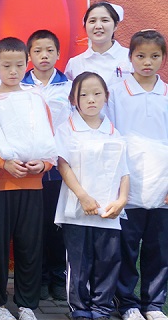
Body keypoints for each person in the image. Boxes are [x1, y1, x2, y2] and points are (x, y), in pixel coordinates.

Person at [0, 37, 54, 320]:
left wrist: (44, 164)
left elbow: (49, 140)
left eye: (19, 65)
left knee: (29, 246)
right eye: (6, 65)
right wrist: (2, 163)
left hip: (33, 186)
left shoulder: (36, 99)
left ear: (27, 64)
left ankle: (26, 304)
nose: (13, 71)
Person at [54, 71, 129, 320]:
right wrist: (83, 196)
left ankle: (102, 307)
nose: (91, 99)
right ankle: (80, 308)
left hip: (109, 210)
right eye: (84, 94)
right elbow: (63, 165)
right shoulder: (66, 129)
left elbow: (124, 170)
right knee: (79, 262)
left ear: (106, 96)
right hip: (76, 209)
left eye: (97, 93)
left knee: (108, 260)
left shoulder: (113, 132)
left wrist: (122, 200)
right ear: (73, 99)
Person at [107, 30, 168, 320]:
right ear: (129, 57)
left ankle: (153, 304)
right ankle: (126, 302)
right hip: (128, 182)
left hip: (162, 183)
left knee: (159, 248)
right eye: (141, 56)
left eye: (155, 56)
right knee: (126, 247)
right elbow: (110, 136)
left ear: (163, 59)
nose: (147, 62)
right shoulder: (117, 92)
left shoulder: (166, 94)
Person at [21, 30, 72, 301]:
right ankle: (38, 278)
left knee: (57, 225)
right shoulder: (20, 86)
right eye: (38, 51)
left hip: (60, 168)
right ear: (29, 55)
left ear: (58, 54)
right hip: (30, 167)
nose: (44, 56)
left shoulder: (69, 87)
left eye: (50, 50)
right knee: (34, 226)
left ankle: (57, 277)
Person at [65, 2, 132, 86]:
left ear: (115, 25)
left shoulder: (130, 58)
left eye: (105, 20)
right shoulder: (75, 63)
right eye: (92, 21)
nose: (98, 26)